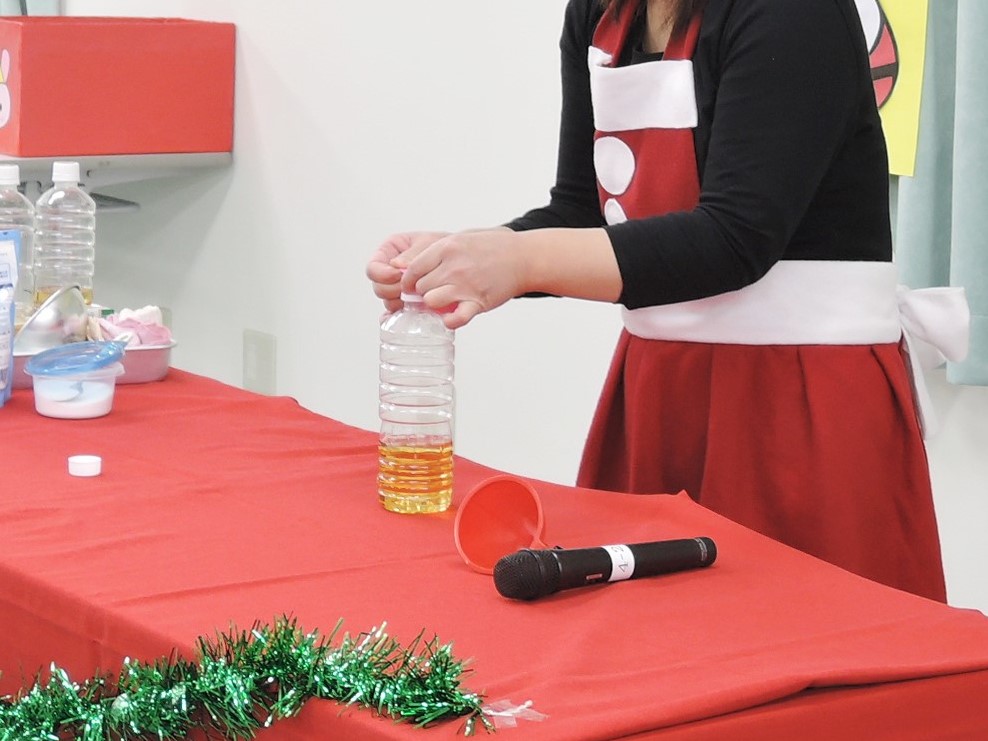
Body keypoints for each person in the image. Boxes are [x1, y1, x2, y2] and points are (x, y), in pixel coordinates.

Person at [366, 0, 956, 602]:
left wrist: (518, 262)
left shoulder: (792, 13)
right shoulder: (599, 14)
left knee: (805, 623)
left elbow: (735, 238)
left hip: (798, 402)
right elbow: (584, 212)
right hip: (660, 388)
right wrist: (468, 257)